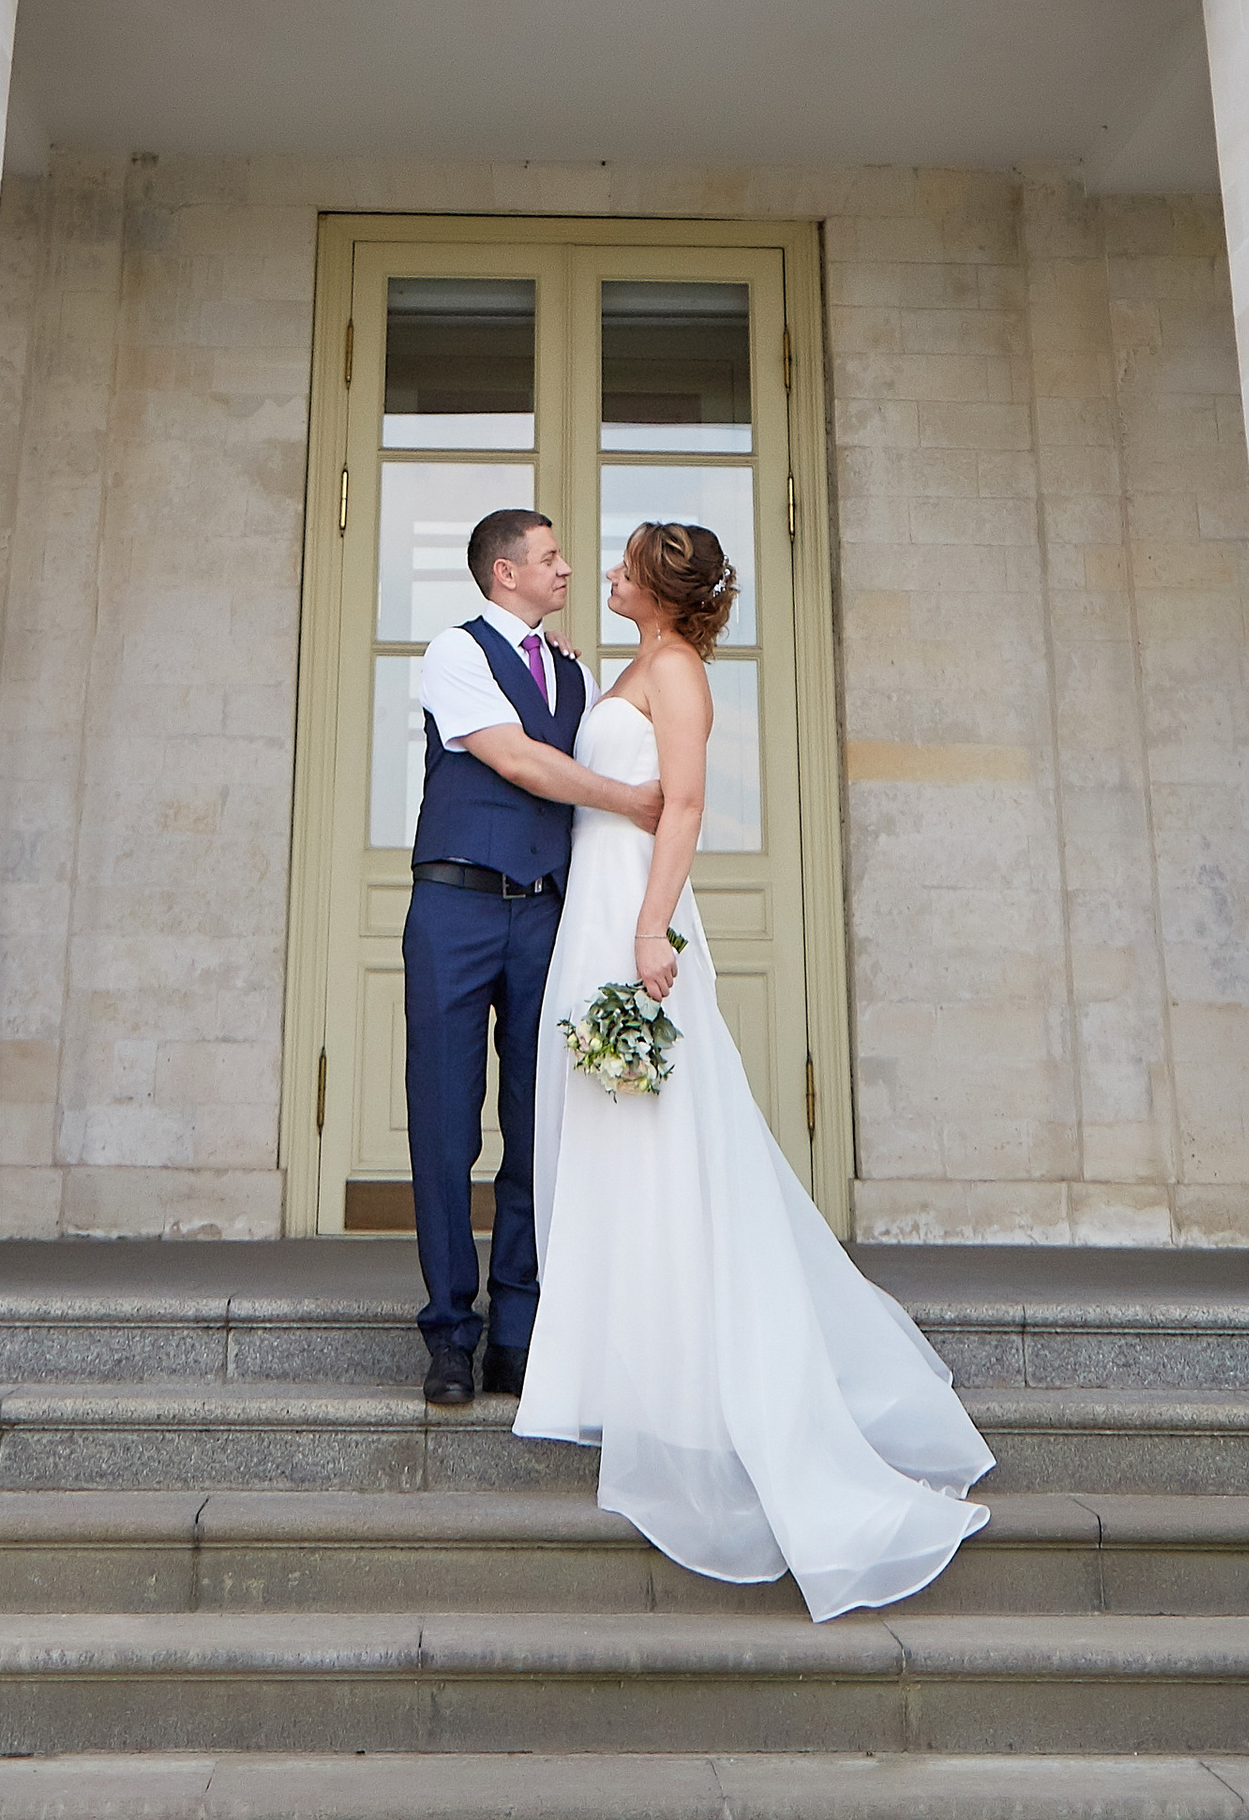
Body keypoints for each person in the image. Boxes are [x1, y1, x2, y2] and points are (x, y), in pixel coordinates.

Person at [516, 518, 992, 1622]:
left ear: (661, 589)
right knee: (600, 1126)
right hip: (590, 905)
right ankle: (604, 1360)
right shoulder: (630, 662)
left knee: (660, 1131)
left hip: (632, 908)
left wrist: (649, 932)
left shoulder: (675, 674)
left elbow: (680, 807)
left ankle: (683, 1374)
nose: (608, 575)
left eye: (625, 566)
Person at [405, 505, 663, 1411]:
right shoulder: (456, 652)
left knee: (534, 1120)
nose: (566, 569)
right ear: (504, 572)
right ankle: (449, 1332)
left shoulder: (575, 673)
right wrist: (635, 800)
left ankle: (516, 1332)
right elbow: (517, 762)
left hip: (543, 916)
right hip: (454, 907)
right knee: (443, 1123)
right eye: (551, 557)